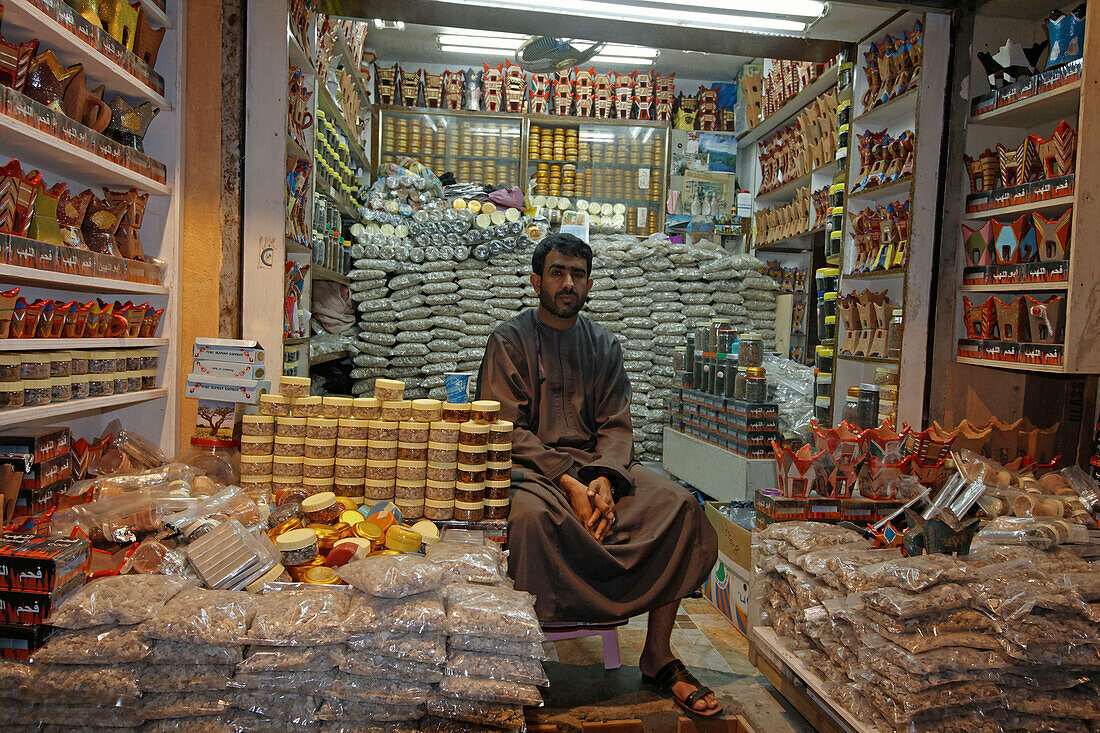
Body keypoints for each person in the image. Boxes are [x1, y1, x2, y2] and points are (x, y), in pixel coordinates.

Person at [476, 233, 722, 717]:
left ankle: (657, 654)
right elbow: (505, 428)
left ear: (589, 284)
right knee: (528, 524)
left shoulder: (604, 344)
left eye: (578, 274)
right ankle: (520, 659)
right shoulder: (508, 341)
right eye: (557, 272)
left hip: (599, 470)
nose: (568, 283)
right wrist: (569, 481)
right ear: (535, 281)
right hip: (532, 472)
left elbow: (615, 424)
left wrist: (604, 480)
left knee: (679, 507)